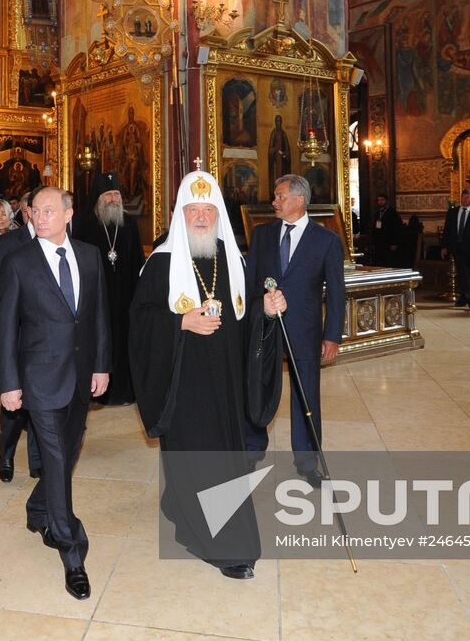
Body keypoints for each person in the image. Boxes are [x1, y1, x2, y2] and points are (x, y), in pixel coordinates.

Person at [129, 169, 284, 579]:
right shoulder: (162, 262)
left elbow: (246, 318)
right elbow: (140, 323)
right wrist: (180, 323)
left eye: (208, 209)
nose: (201, 217)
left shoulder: (233, 260)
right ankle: (227, 547)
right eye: (193, 209)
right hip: (185, 386)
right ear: (181, 214)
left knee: (222, 460)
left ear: (218, 215)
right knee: (197, 459)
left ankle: (180, 506)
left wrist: (265, 312)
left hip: (228, 384)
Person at [0, 187, 110, 600]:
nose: (38, 218)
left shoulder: (90, 255)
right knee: (56, 458)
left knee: (70, 449)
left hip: (80, 376)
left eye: (47, 211)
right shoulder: (18, 262)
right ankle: (72, 550)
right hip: (38, 379)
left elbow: (97, 316)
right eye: (34, 211)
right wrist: (8, 384)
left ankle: (37, 509)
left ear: (67, 213)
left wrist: (101, 364)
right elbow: (4, 328)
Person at [242, 175, 344, 483]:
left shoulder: (325, 239)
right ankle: (251, 452)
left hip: (306, 329)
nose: (274, 201)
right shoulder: (261, 234)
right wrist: (255, 312)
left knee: (306, 395)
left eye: (280, 196)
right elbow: (249, 284)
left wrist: (332, 336)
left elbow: (337, 293)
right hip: (265, 326)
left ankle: (307, 462)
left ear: (299, 200)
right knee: (258, 389)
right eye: (275, 196)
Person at [71, 172, 142, 405]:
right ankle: (100, 392)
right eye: (108, 194)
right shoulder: (85, 225)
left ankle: (125, 391)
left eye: (116, 194)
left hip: (126, 298)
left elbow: (138, 263)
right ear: (98, 198)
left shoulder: (130, 224)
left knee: (124, 343)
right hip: (96, 298)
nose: (113, 199)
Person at [0, 186, 42, 482]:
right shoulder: (7, 243)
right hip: (17, 335)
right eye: (35, 209)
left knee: (41, 401)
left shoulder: (60, 241)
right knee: (15, 404)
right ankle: (7, 452)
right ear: (25, 212)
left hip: (45, 338)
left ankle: (37, 459)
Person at [442, 189, 470, 312]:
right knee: (462, 272)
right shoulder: (452, 212)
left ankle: (464, 298)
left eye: (467, 198)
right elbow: (447, 231)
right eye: (462, 197)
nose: (464, 200)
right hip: (457, 247)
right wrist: (444, 246)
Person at [370, 193, 406, 267]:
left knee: (388, 261)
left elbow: (397, 228)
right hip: (379, 242)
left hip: (388, 241)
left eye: (382, 200)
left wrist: (394, 243)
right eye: (379, 200)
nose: (380, 202)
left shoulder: (392, 212)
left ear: (386, 201)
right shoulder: (377, 213)